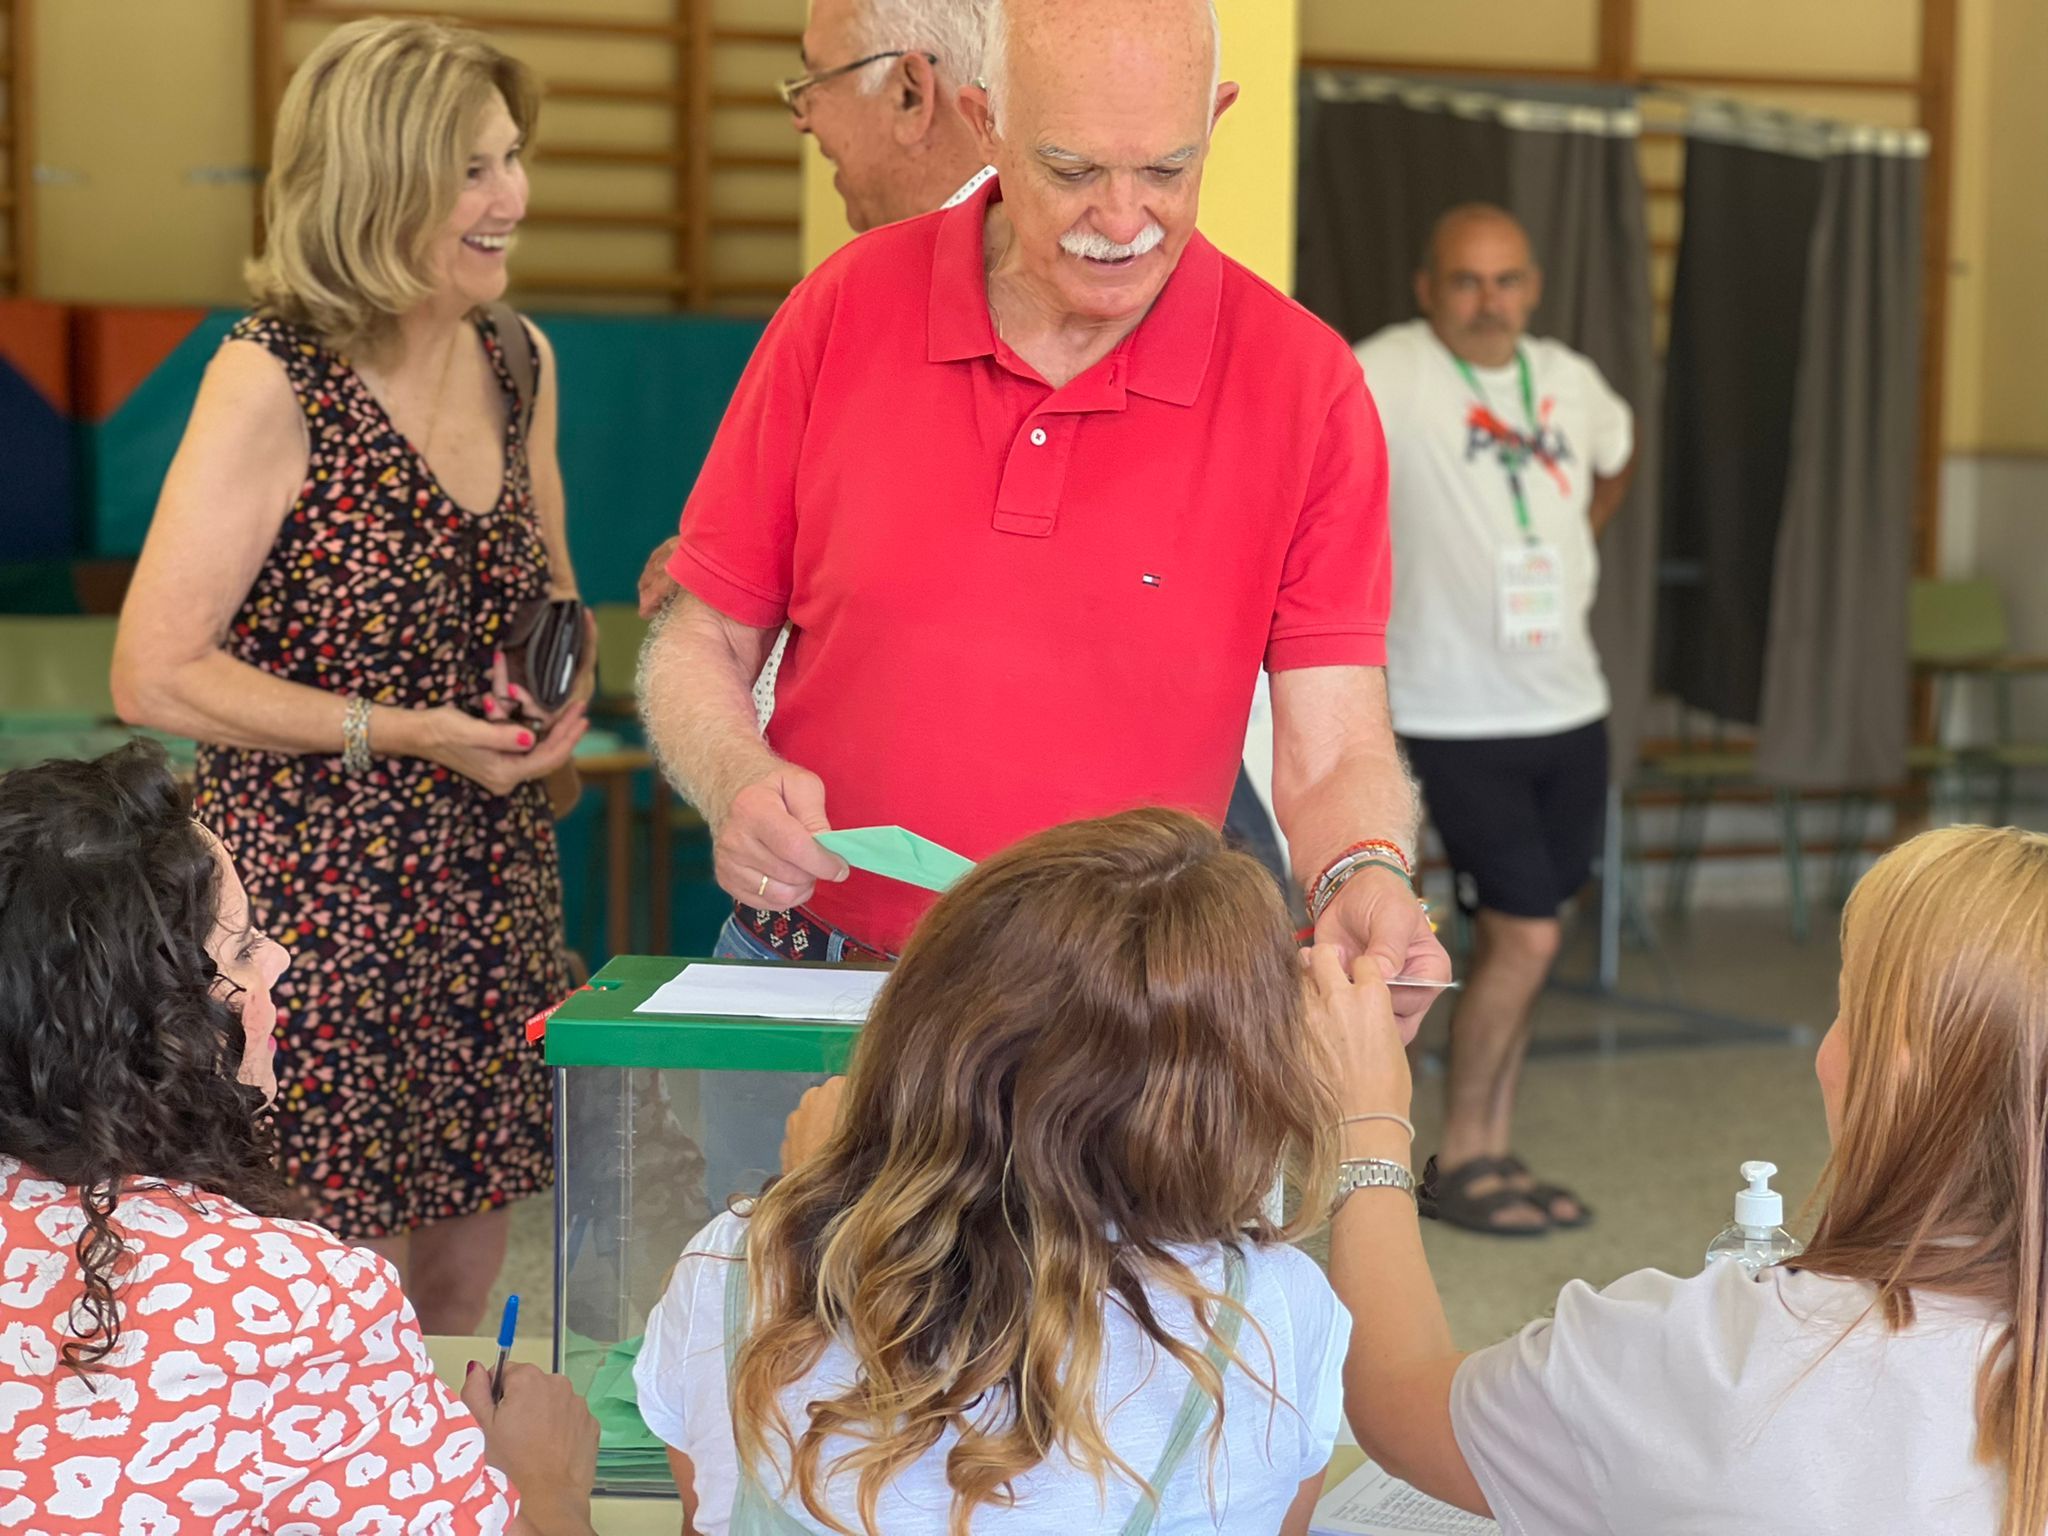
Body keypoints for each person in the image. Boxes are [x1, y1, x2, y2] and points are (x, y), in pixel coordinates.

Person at [639, 0, 1443, 999]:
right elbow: (701, 639)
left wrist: (1360, 870)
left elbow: (1333, 750)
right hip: (814, 972)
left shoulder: (1302, 384)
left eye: (1164, 170)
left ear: (1215, 121)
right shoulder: (842, 308)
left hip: (1114, 1017)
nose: (1119, 220)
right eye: (1068, 172)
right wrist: (732, 778)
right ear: (984, 125)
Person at [111, 16, 590, 1333]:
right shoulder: (272, 377)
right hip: (304, 920)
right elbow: (155, 673)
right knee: (316, 1291)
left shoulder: (516, 357)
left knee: (455, 1280)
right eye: (475, 171)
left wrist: (558, 703)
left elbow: (549, 597)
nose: (515, 200)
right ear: (383, 181)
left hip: (483, 894)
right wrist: (405, 731)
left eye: (513, 159)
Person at [631, 809, 1354, 1534]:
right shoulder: (1269, 1312)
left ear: (913, 1027)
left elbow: (710, 1514)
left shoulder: (728, 1265)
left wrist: (810, 1191)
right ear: (1242, 1086)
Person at [1316, 823, 2048, 1534]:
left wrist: (1367, 1117)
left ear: (1894, 1080)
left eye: (1847, 1009)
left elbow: (1396, 1399)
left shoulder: (1703, 1362)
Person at [0, 744, 601, 1536]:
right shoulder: (299, 1300)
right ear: (164, 1026)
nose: (275, 969)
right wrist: (548, 1484)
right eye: (245, 948)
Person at [1353, 204, 1636, 1234]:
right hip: (1443, 710)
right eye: (1465, 282)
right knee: (1520, 934)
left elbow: (1614, 458)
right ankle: (1455, 1152)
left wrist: (1571, 546)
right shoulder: (1382, 371)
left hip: (1567, 702)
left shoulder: (1568, 379)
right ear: (1427, 288)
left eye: (1506, 280)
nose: (1488, 302)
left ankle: (1489, 1144)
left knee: (1536, 931)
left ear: (1532, 286)